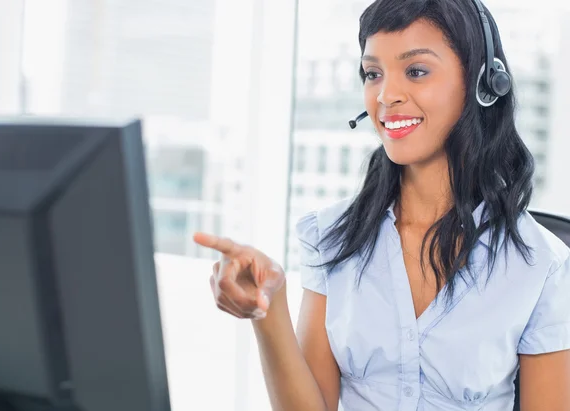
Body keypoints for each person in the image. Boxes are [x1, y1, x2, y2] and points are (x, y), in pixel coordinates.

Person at [193, 0, 570, 409]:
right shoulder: (332, 236)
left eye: (416, 71)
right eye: (373, 74)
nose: (387, 95)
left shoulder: (540, 266)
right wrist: (269, 310)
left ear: (482, 82)